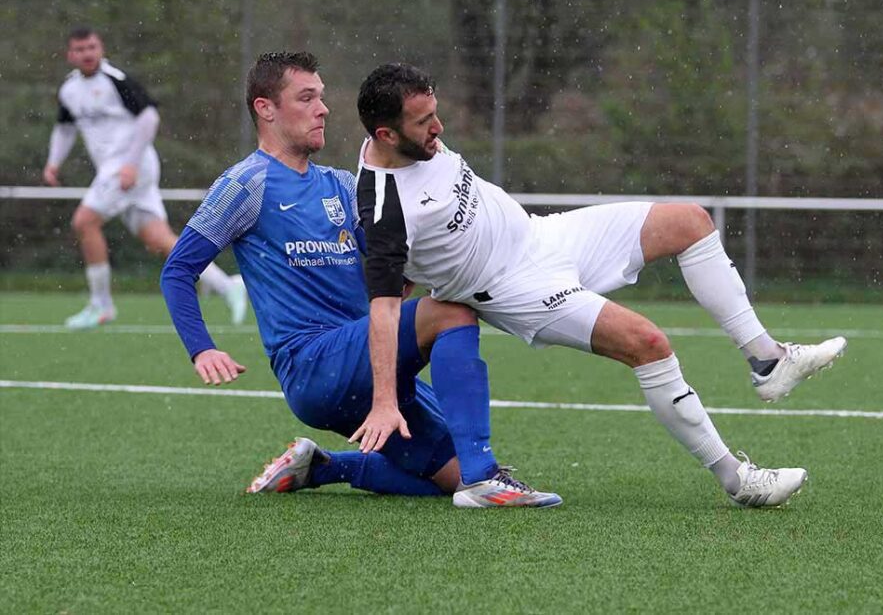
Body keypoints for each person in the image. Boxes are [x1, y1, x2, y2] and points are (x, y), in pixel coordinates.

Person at [355, 63, 849, 509]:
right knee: (649, 344)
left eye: (435, 113)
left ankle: (768, 360)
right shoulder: (382, 208)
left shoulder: (417, 142)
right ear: (386, 133)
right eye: (423, 122)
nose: (438, 128)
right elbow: (385, 304)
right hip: (515, 288)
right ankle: (739, 480)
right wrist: (382, 398)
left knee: (689, 221)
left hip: (543, 235)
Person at [161, 51, 560, 509]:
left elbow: (393, 264)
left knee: (447, 476)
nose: (323, 109)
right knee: (450, 313)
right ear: (264, 108)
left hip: (372, 359)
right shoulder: (245, 184)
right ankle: (485, 482)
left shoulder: (342, 185)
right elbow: (178, 270)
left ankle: (326, 467)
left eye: (322, 97)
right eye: (306, 98)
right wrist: (201, 346)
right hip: (314, 365)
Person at [43, 27, 247, 329]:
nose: (87, 53)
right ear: (70, 55)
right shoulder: (69, 90)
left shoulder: (116, 80)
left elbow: (150, 117)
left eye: (92, 47)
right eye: (80, 49)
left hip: (129, 166)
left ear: (101, 49)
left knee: (84, 222)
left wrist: (131, 164)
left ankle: (101, 305)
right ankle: (228, 285)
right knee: (160, 240)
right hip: (117, 170)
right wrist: (53, 162)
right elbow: (65, 128)